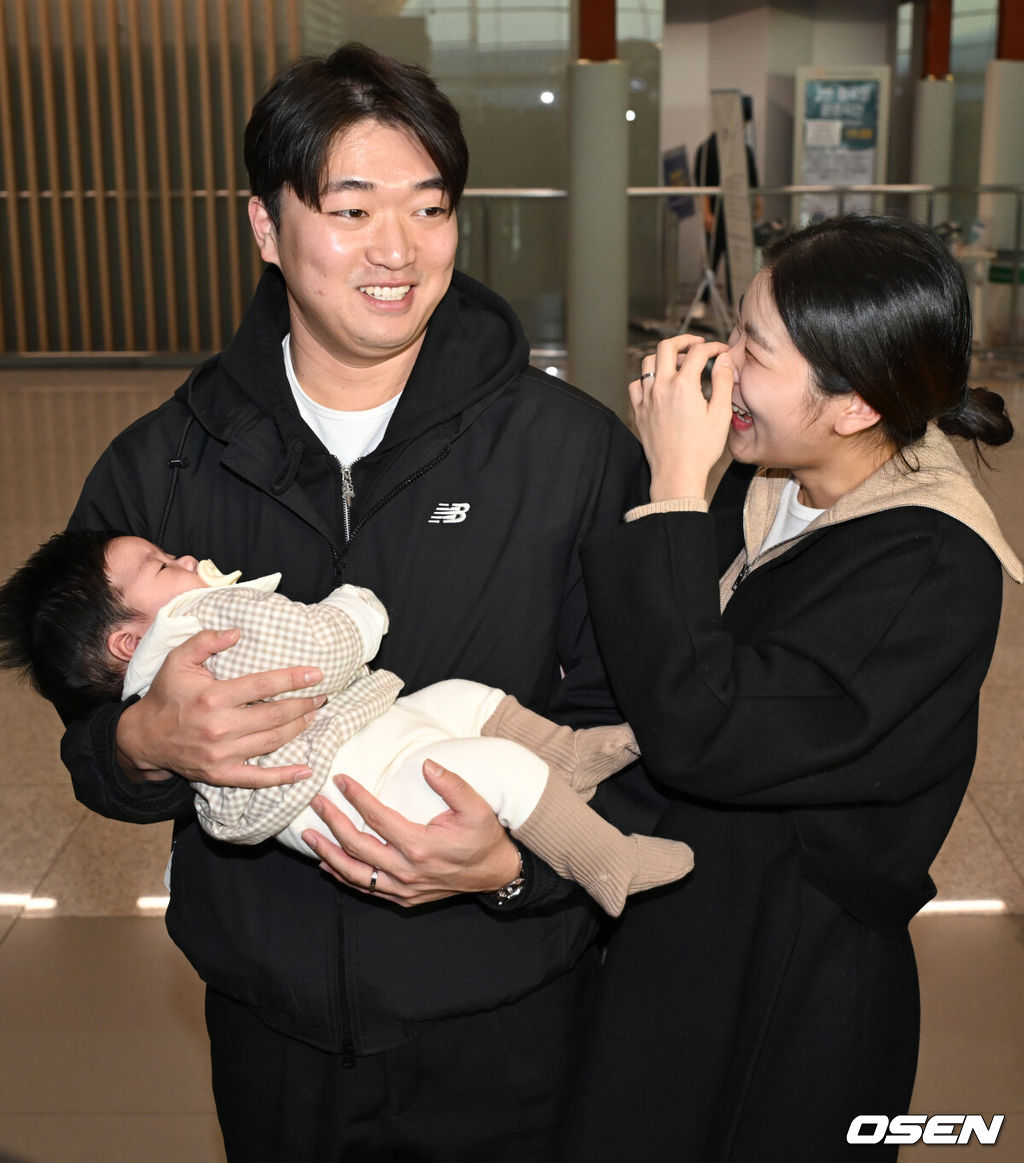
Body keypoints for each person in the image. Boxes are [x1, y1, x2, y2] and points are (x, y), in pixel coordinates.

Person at [56, 42, 652, 1162]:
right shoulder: (163, 471)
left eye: (430, 208)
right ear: (267, 228)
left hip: (507, 1016)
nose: (398, 250)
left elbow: (641, 727)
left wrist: (515, 871)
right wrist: (143, 740)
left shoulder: (566, 452)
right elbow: (87, 747)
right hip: (272, 1028)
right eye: (351, 207)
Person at [569, 214, 1022, 1160]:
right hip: (685, 939)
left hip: (791, 981)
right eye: (736, 329)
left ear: (854, 404)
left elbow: (707, 725)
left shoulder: (931, 563)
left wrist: (672, 489)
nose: (721, 366)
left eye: (754, 351)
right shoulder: (774, 479)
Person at [0, 529, 691, 915]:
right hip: (355, 801)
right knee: (500, 771)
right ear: (127, 643)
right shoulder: (199, 624)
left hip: (352, 755)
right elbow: (315, 651)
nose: (182, 557)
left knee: (460, 697)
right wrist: (360, 609)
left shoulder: (170, 637)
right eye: (158, 564)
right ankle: (609, 862)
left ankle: (567, 757)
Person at [693, 99, 762, 312]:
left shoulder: (744, 149)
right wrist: (706, 212)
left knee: (737, 259)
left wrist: (757, 203)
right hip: (717, 212)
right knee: (712, 258)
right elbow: (702, 183)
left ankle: (737, 303)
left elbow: (753, 181)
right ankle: (703, 300)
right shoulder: (708, 148)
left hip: (739, 212)